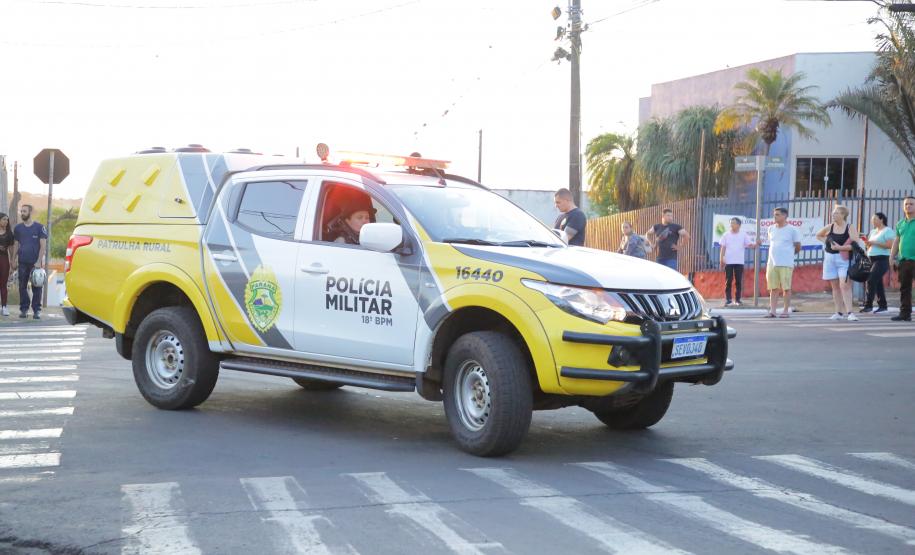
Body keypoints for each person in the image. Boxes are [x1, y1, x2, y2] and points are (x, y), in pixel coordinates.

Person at [815, 205, 860, 322]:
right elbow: (818, 235)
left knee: (845, 285)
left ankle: (850, 312)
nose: (833, 215)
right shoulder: (830, 226)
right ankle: (838, 312)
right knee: (835, 287)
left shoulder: (850, 227)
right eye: (833, 213)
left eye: (836, 213)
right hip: (830, 259)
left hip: (843, 259)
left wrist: (841, 247)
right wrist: (827, 242)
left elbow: (855, 244)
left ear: (843, 215)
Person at [10, 204, 47, 320]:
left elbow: (43, 246)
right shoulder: (18, 228)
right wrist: (13, 260)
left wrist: (38, 261)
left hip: (35, 264)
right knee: (22, 286)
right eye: (21, 211)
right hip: (22, 262)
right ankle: (24, 309)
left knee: (37, 287)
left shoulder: (40, 227)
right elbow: (16, 244)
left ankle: (36, 310)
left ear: (30, 212)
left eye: (24, 211)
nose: (22, 213)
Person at [765, 207, 801, 318]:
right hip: (772, 263)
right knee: (773, 288)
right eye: (774, 214)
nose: (775, 217)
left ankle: (785, 311)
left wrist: (788, 255)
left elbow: (798, 246)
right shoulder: (771, 228)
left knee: (786, 288)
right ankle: (773, 311)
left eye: (778, 214)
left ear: (785, 216)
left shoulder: (792, 230)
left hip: (786, 263)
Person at [861, 212, 895, 314]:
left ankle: (868, 305)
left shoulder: (888, 230)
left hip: (882, 259)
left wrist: (874, 242)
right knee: (878, 283)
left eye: (875, 219)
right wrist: (867, 243)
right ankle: (883, 306)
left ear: (881, 219)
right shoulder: (872, 231)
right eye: (872, 219)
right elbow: (869, 245)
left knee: (871, 280)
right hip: (872, 259)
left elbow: (890, 245)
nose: (873, 221)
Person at [718, 217, 756, 306]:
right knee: (728, 280)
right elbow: (723, 248)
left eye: (733, 223)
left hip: (739, 261)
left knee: (738, 281)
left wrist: (756, 244)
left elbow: (750, 245)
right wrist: (721, 259)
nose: (731, 225)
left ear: (739, 225)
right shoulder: (726, 235)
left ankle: (738, 300)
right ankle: (728, 299)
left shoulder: (743, 235)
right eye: (731, 223)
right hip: (728, 261)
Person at [890, 195, 915, 322]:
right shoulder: (900, 223)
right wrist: (892, 256)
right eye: (906, 204)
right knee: (905, 288)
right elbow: (897, 240)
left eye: (911, 204)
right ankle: (905, 313)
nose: (908, 206)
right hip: (904, 260)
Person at [0, 213, 12, 316]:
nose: (6, 222)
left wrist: (13, 260)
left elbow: (11, 247)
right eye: (4, 219)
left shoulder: (9, 233)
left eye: (7, 220)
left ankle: (4, 307)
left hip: (4, 260)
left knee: (3, 284)